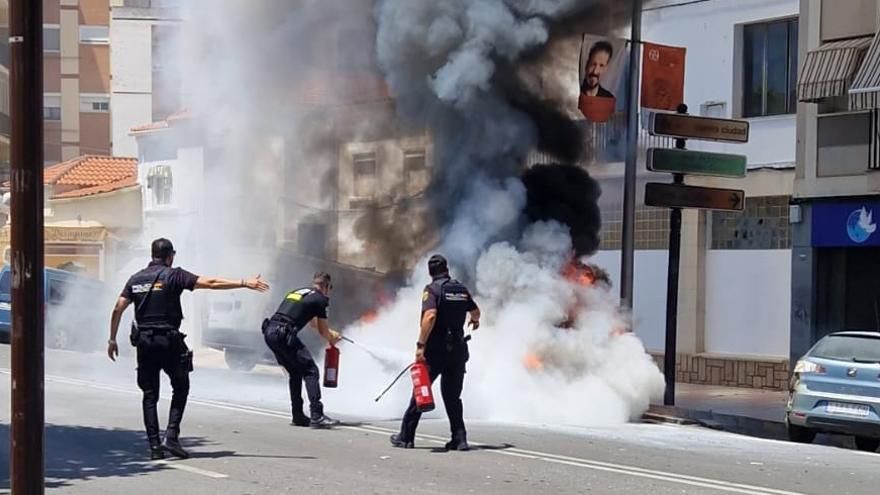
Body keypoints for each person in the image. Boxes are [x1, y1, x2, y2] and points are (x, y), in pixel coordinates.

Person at [107, 238, 269, 460]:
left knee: (149, 394)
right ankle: (171, 437)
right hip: (169, 340)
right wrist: (243, 283)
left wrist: (112, 339)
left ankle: (155, 447)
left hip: (145, 342)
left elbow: (118, 308)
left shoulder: (135, 279)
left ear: (152, 255)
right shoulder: (174, 275)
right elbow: (210, 283)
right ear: (170, 256)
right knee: (181, 386)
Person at [390, 255, 481, 451]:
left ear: (430, 272)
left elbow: (430, 316)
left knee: (421, 390)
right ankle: (460, 438)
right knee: (452, 397)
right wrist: (475, 321)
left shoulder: (432, 290)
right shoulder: (460, 289)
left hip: (436, 351)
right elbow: (476, 312)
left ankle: (406, 437)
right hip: (457, 351)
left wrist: (420, 345)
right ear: (447, 269)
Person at [262, 272, 342, 428]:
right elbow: (323, 332)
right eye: (330, 288)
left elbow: (313, 325)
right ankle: (317, 416)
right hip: (283, 334)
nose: (329, 291)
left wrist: (330, 333)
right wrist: (332, 337)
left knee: (296, 372)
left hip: (270, 332)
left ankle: (298, 415)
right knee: (311, 371)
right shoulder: (321, 300)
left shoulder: (299, 292)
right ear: (326, 286)